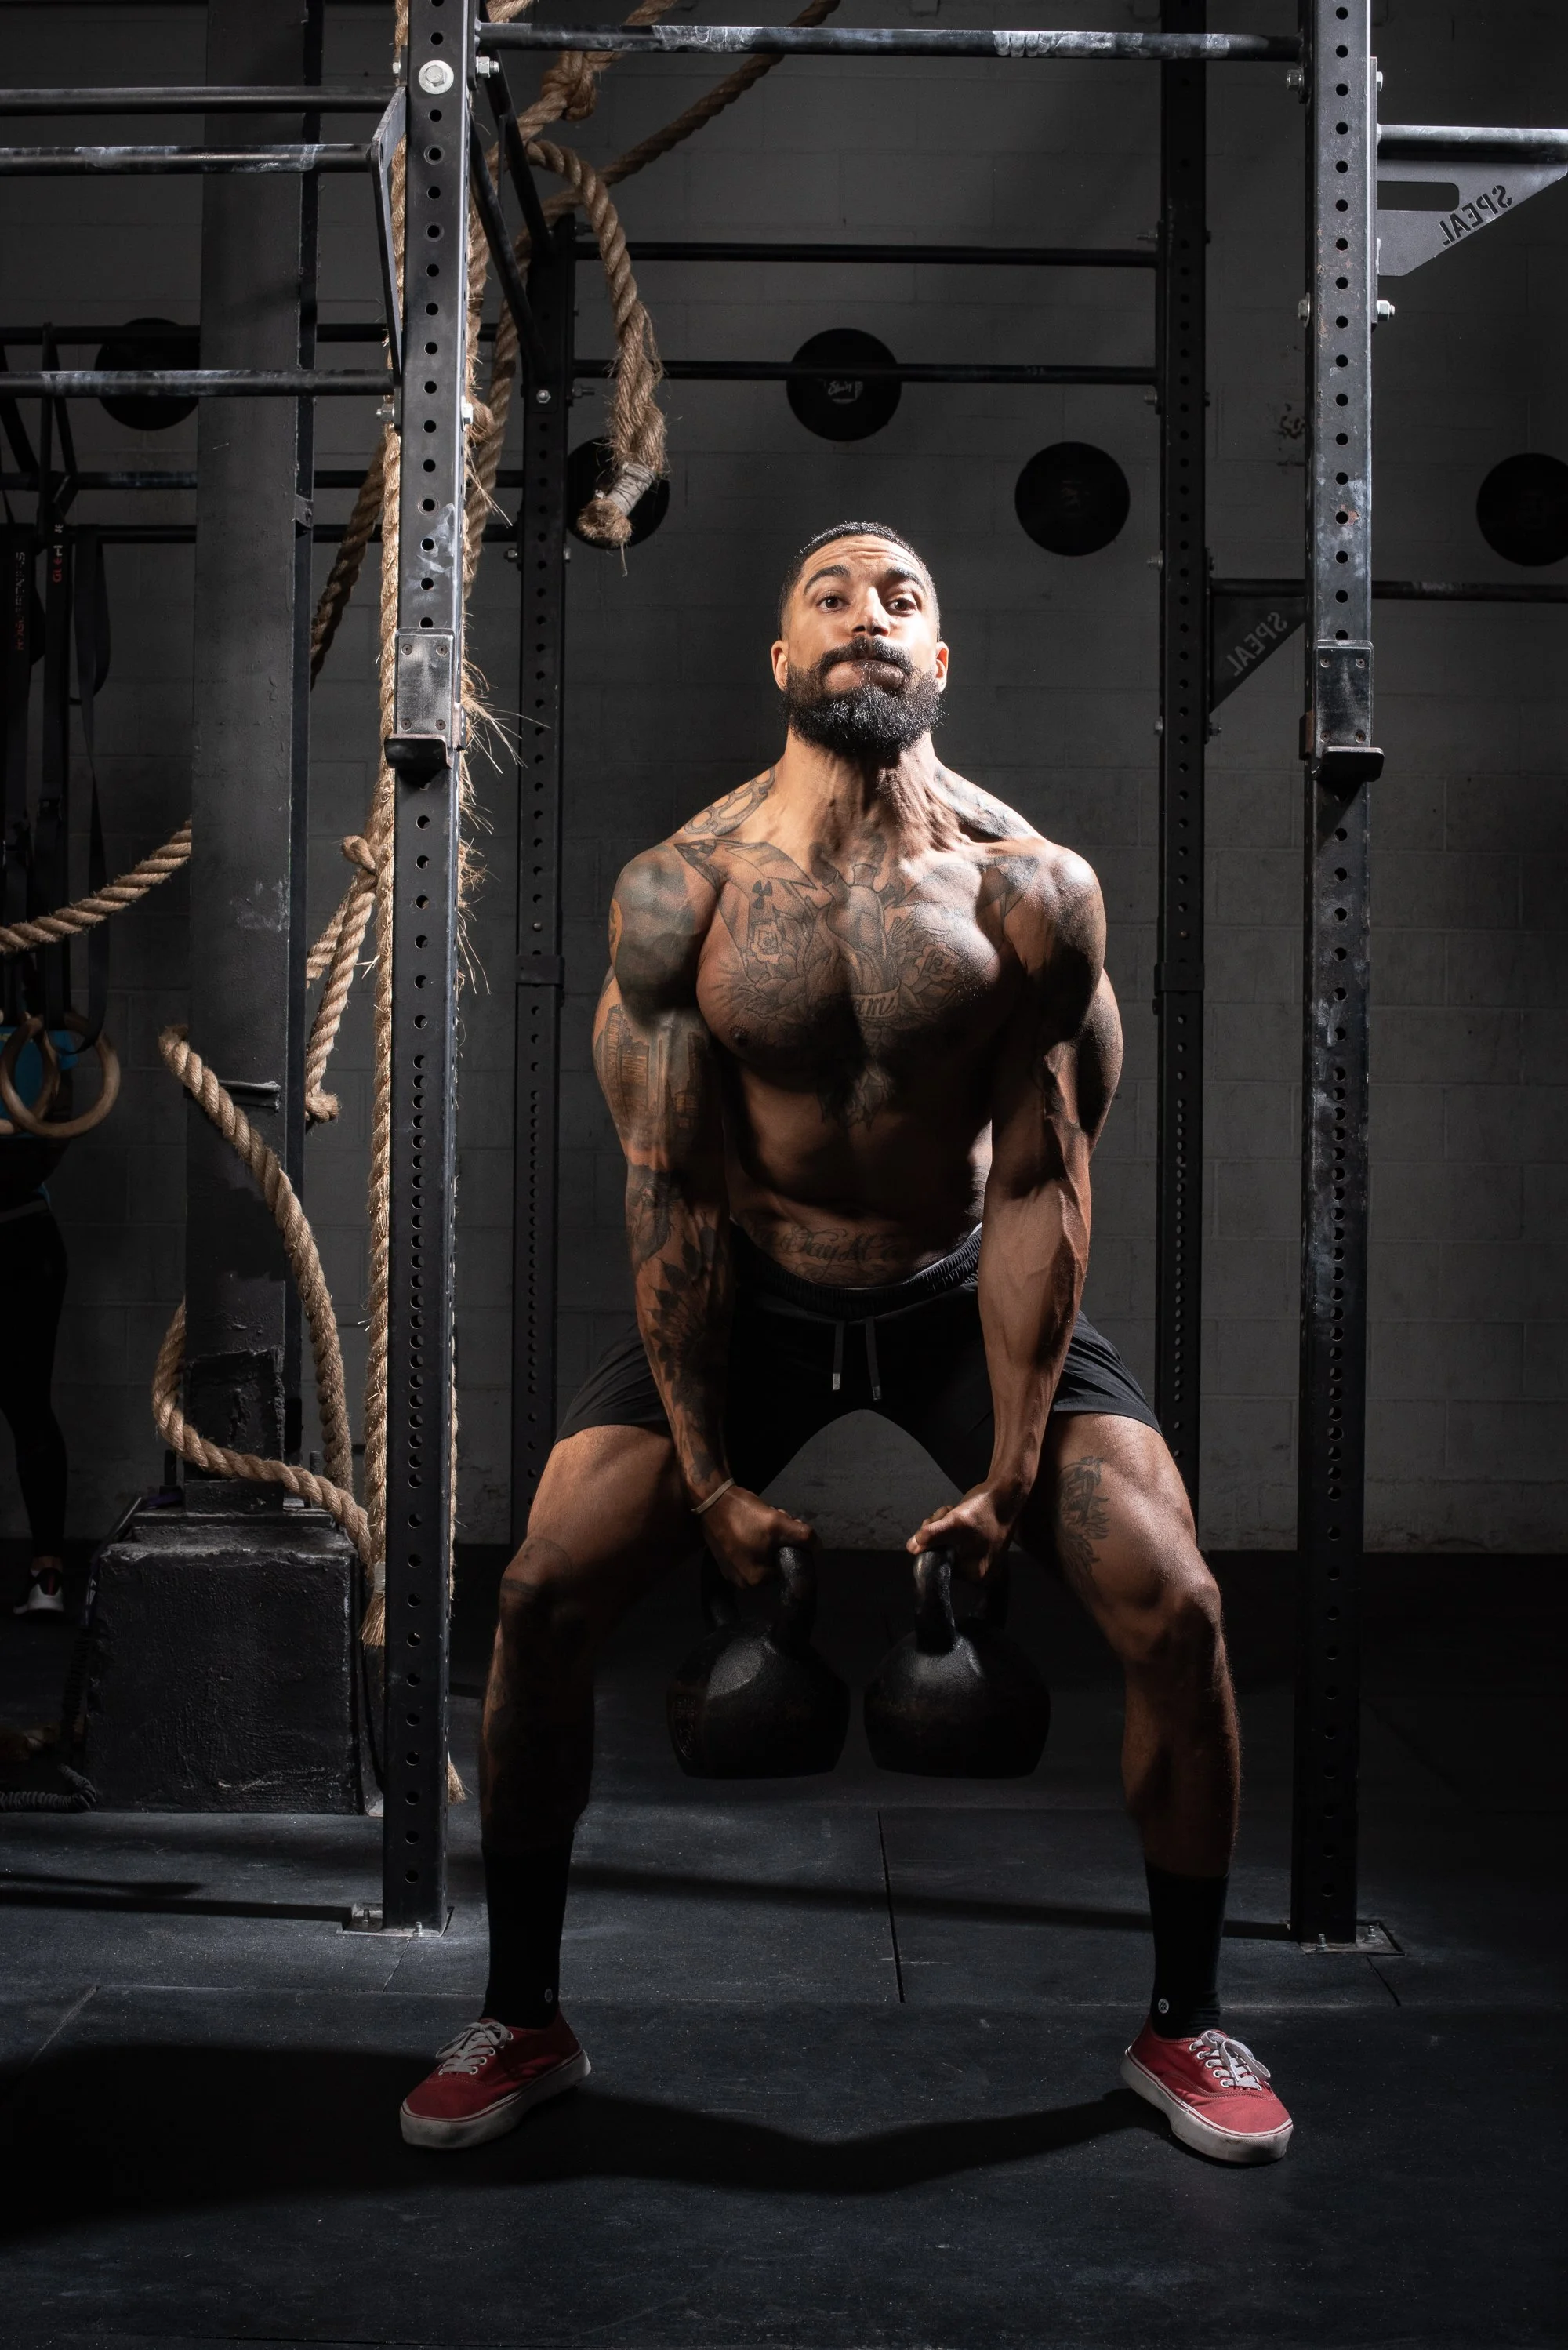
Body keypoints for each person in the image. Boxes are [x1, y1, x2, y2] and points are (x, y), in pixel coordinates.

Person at [401, 524, 1293, 2165]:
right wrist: (715, 1476)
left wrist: (1016, 1464)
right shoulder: (685, 892)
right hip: (752, 1294)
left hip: (962, 1284)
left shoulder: (1032, 892)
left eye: (903, 600)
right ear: (781, 657)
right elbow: (667, 1191)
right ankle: (522, 2013)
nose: (867, 617)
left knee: (1175, 1599)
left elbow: (1038, 1179)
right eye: (829, 593)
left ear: (938, 662)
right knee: (539, 1593)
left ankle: (1184, 2024)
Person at [0, 1026, 71, 1615]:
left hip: (22, 1238)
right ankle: (47, 1579)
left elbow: (43, 1149)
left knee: (27, 1407)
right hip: (28, 1234)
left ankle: (48, 1575)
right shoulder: (45, 1047)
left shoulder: (41, 1045)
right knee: (29, 1407)